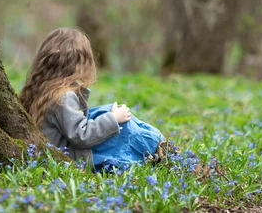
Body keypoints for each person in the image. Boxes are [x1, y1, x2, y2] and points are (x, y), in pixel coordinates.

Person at [19, 27, 164, 169]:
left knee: (106, 112)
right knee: (123, 125)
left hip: (65, 150)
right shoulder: (64, 96)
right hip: (75, 158)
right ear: (78, 62)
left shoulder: (41, 88)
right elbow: (81, 136)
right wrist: (113, 119)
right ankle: (158, 146)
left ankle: (157, 144)